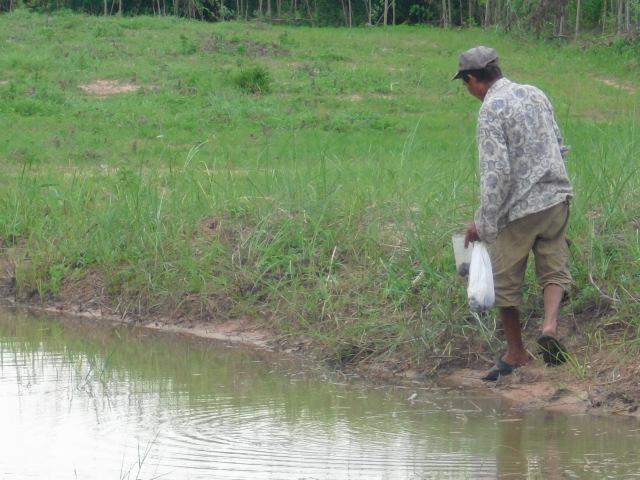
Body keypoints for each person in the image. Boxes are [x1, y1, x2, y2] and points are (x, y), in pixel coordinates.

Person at [452, 46, 573, 381]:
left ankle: (516, 353)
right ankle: (549, 325)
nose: (469, 91)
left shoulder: (491, 110)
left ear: (474, 80)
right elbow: (559, 143)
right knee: (554, 267)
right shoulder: (535, 93)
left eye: (466, 84)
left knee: (505, 281)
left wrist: (483, 221)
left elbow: (497, 174)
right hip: (556, 198)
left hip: (519, 211)